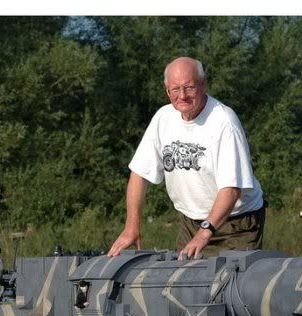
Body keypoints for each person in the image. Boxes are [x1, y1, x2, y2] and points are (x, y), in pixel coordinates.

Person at [107, 57, 265, 260]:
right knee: (183, 278)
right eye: (175, 89)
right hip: (191, 222)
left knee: (230, 278)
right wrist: (131, 227)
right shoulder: (163, 118)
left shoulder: (224, 122)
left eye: (189, 87)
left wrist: (204, 233)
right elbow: (139, 174)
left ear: (203, 84)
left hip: (236, 224)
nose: (182, 96)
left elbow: (232, 190)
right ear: (167, 91)